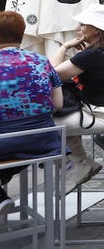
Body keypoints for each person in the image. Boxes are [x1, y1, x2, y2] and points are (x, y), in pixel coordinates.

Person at [50, 3, 104, 192]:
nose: (78, 29)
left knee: (45, 125)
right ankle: (82, 162)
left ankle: (78, 164)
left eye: (83, 25)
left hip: (101, 116)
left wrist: (64, 46)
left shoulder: (93, 54)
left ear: (95, 30)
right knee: (62, 115)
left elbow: (50, 75)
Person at [0, 11, 64, 216]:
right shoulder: (41, 61)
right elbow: (58, 104)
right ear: (22, 34)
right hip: (41, 141)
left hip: (4, 142)